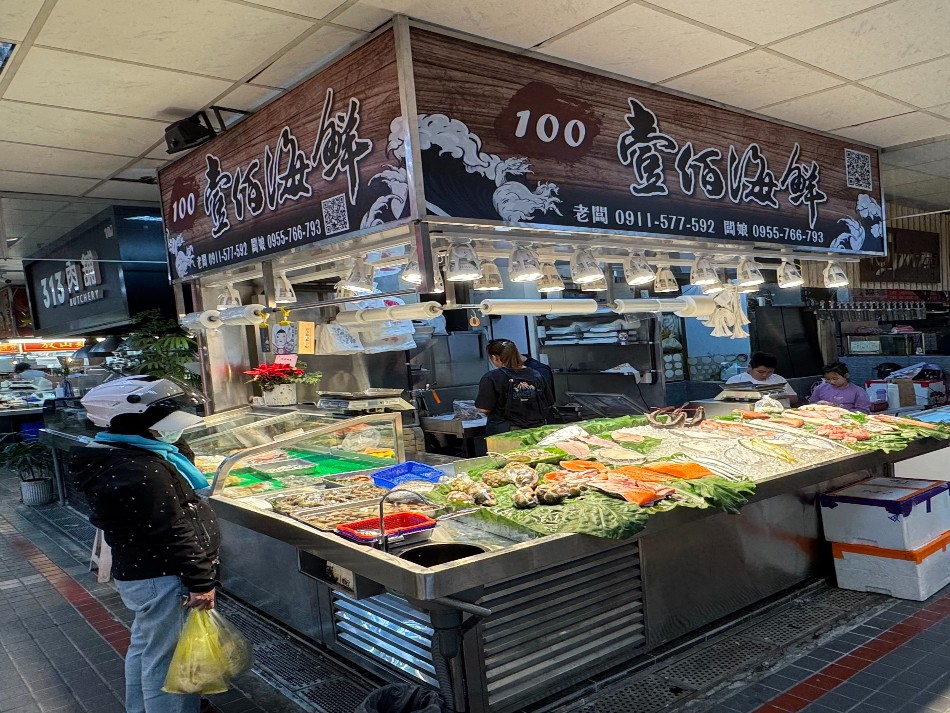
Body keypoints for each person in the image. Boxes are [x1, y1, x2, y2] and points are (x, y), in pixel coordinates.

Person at [71, 376, 218, 713]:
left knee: (148, 647)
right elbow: (170, 529)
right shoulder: (141, 468)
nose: (172, 429)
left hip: (144, 573)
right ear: (133, 422)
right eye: (164, 422)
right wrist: (200, 580)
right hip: (163, 575)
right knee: (171, 661)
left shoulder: (119, 454)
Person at [475, 339, 550, 436]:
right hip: (536, 431)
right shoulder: (536, 374)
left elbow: (483, 409)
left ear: (494, 357)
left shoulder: (492, 377)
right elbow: (548, 402)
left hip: (506, 433)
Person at [725, 351, 797, 403]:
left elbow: (794, 399)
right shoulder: (736, 380)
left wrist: (780, 396)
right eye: (761, 372)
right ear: (750, 367)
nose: (765, 375)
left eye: (770, 372)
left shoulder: (778, 379)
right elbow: (726, 400)